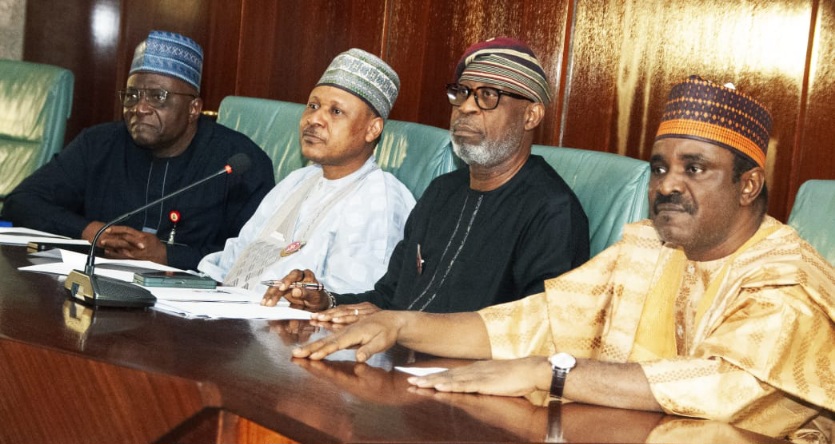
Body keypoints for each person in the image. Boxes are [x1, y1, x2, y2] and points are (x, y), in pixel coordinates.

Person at [293, 76, 835, 442]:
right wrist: (398, 322)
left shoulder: (789, 277)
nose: (667, 186)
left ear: (749, 186)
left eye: (695, 170)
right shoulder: (648, 246)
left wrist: (550, 372)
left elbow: (722, 385)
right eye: (660, 168)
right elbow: (537, 322)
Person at [263, 37, 589, 321]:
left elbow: (534, 335)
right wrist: (326, 301)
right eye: (461, 93)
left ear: (530, 115)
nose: (467, 108)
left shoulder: (552, 211)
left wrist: (407, 328)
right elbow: (390, 301)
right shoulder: (442, 192)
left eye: (488, 95)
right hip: (400, 363)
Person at [1, 30, 275, 270]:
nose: (140, 108)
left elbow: (254, 257)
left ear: (194, 108)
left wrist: (169, 255)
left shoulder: (238, 163)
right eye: (132, 96)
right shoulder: (99, 143)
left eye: (158, 97)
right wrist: (89, 231)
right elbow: (21, 202)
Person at [198, 48, 415, 294]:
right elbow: (238, 255)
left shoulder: (378, 199)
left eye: (335, 111)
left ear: (372, 129)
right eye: (312, 106)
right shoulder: (299, 179)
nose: (314, 119)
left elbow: (352, 301)